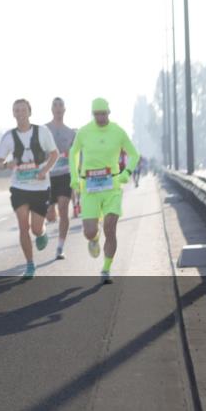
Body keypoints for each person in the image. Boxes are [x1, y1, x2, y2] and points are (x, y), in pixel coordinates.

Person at [68, 98, 140, 284]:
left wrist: (127, 173)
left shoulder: (118, 131)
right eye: (96, 114)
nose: (100, 117)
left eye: (103, 113)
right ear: (93, 114)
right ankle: (94, 237)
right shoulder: (84, 132)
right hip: (90, 188)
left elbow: (134, 154)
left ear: (109, 113)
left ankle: (106, 269)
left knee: (110, 227)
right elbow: (73, 153)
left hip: (112, 188)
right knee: (89, 232)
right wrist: (74, 177)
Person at [0, 99, 59, 280]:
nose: (20, 113)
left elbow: (55, 154)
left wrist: (45, 170)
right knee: (23, 227)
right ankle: (30, 264)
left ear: (30, 112)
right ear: (13, 113)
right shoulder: (8, 137)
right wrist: (8, 164)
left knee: (36, 229)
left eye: (23, 110)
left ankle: (42, 233)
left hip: (40, 187)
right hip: (19, 187)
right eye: (17, 110)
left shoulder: (42, 132)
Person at [44, 97, 76, 260]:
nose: (57, 108)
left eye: (60, 105)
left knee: (64, 208)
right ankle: (44, 224)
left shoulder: (70, 133)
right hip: (48, 176)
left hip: (65, 174)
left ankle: (60, 247)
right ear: (51, 109)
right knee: (50, 215)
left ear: (64, 110)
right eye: (55, 105)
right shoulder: (44, 130)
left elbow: (75, 157)